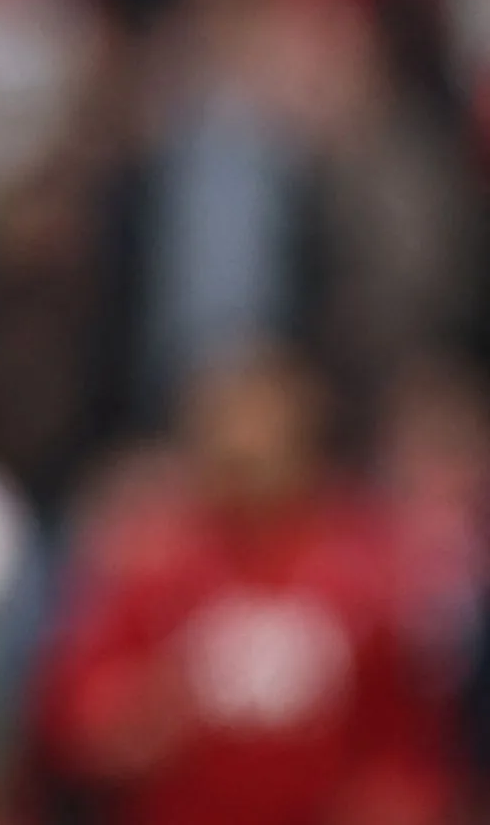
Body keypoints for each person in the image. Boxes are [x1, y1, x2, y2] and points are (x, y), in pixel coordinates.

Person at [25, 353, 455, 825]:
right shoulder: (153, 563)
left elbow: (404, 754)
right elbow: (74, 716)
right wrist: (131, 721)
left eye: (263, 436)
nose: (244, 452)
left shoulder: (368, 572)